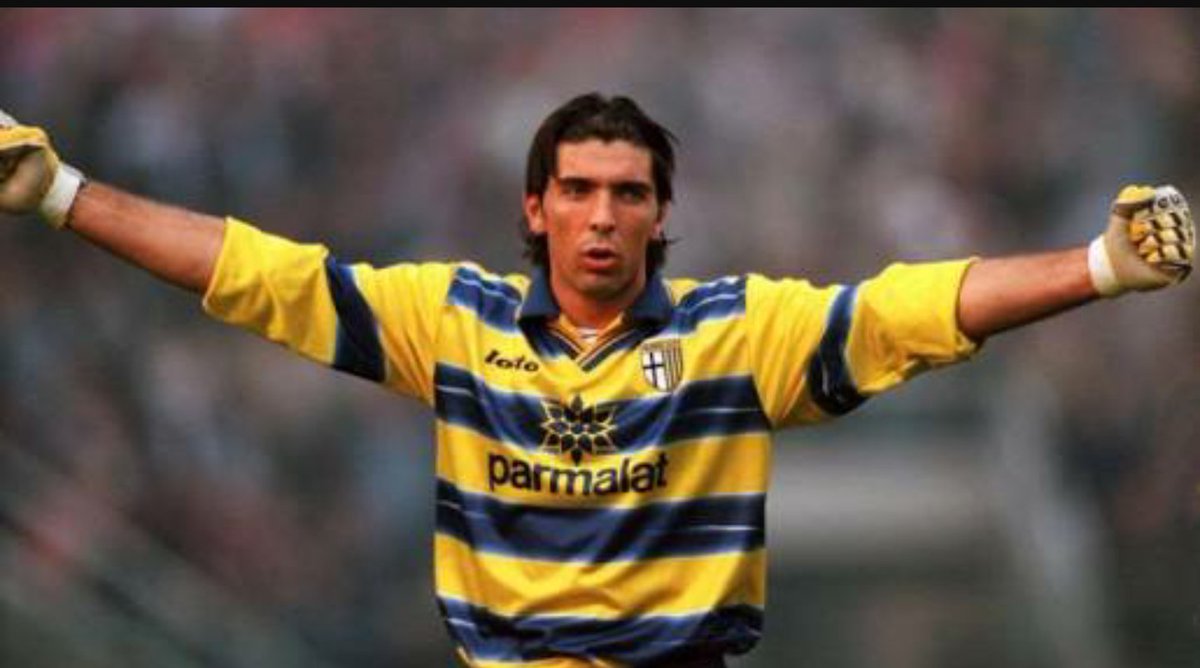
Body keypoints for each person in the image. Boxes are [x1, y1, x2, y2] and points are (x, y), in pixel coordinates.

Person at [0, 94, 1193, 668]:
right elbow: (260, 274)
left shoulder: (735, 334)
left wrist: (1095, 267)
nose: (603, 215)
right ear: (537, 207)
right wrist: (61, 192)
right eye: (578, 190)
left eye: (629, 193)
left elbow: (906, 312)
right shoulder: (453, 320)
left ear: (661, 215)